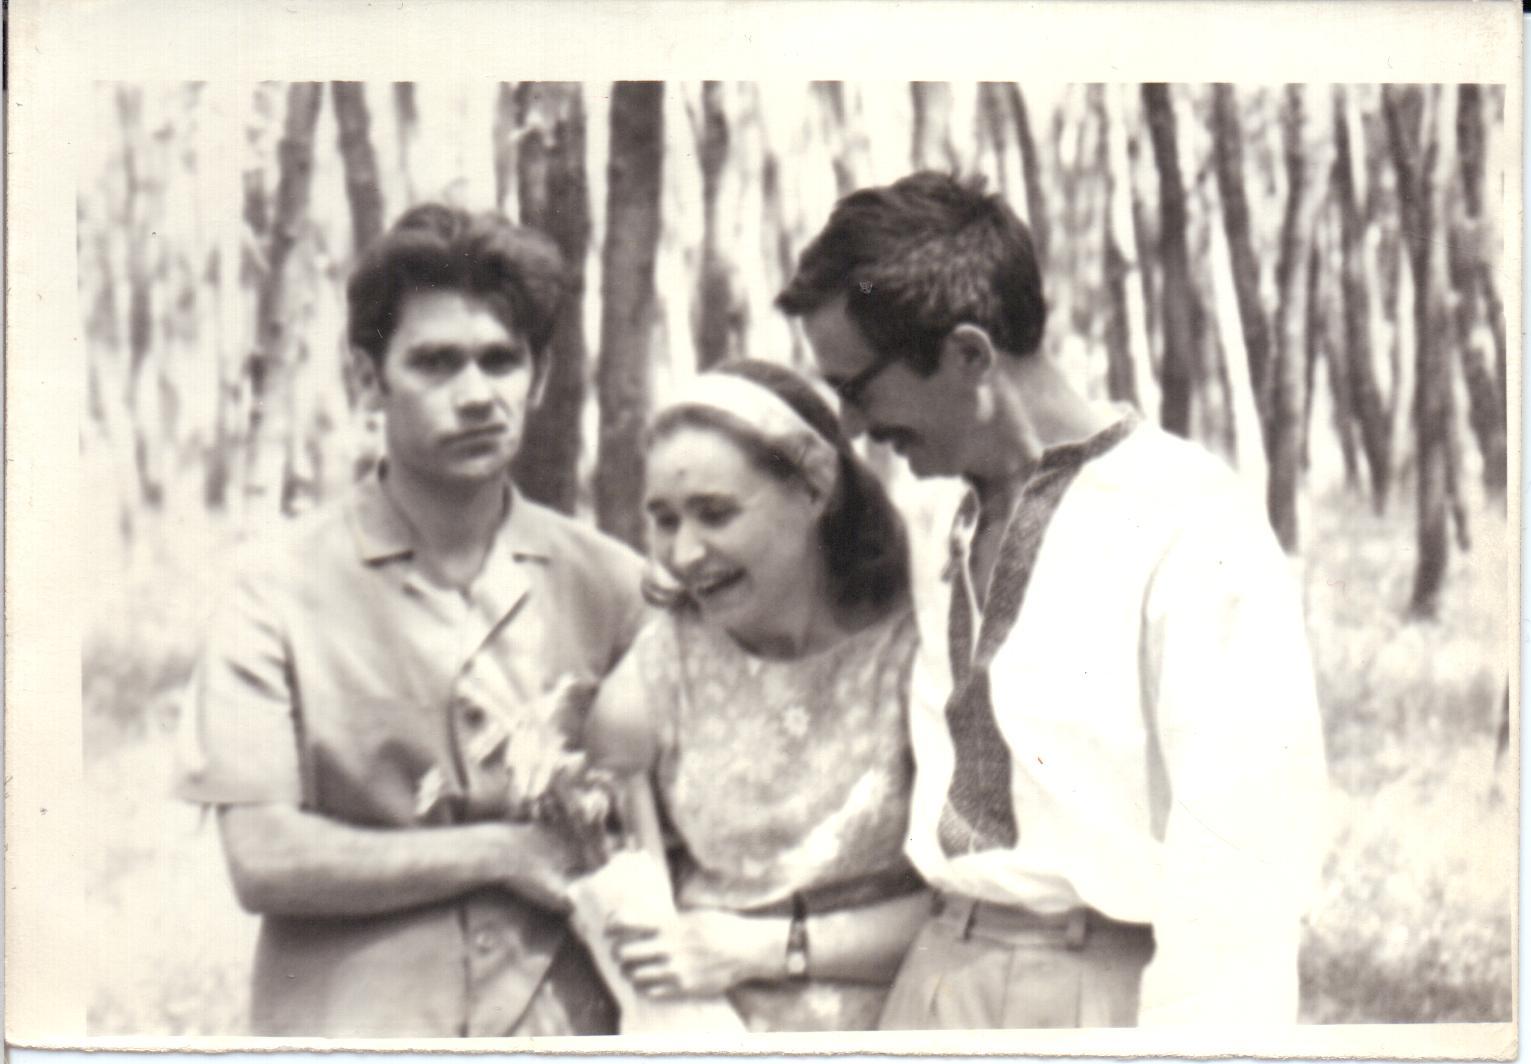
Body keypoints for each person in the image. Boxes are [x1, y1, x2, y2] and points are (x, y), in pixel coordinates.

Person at [777, 172, 1328, 1029]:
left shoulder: (1185, 515)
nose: (853, 429)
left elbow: (1244, 852)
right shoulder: (932, 514)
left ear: (967, 356)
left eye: (858, 391)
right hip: (932, 982)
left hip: (1096, 991)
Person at [175, 204, 647, 1037]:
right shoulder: (275, 593)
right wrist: (504, 853)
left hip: (567, 1027)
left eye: (501, 361)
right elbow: (264, 859)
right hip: (356, 1029)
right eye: (435, 363)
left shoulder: (612, 585)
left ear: (538, 377)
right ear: (368, 379)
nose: (475, 396)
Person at [582, 360, 929, 1033]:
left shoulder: (915, 650)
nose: (683, 554)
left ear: (814, 488)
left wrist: (762, 950)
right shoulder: (661, 668)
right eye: (663, 520)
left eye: (715, 514)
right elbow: (624, 894)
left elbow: (967, 911)